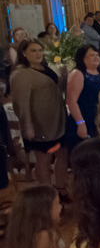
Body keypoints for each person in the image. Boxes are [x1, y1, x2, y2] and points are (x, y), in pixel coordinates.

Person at [10, 40, 69, 194]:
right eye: (33, 51)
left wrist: (63, 77)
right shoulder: (21, 74)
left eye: (40, 50)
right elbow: (20, 103)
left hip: (57, 119)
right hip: (40, 122)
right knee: (45, 158)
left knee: (62, 154)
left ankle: (60, 189)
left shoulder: (45, 68)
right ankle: (47, 194)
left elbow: (55, 88)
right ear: (24, 53)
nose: (38, 54)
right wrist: (27, 125)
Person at [65, 45, 100, 148]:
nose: (96, 57)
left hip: (99, 118)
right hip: (84, 117)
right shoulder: (78, 73)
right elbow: (71, 101)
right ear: (82, 57)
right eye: (91, 55)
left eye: (97, 55)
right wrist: (80, 123)